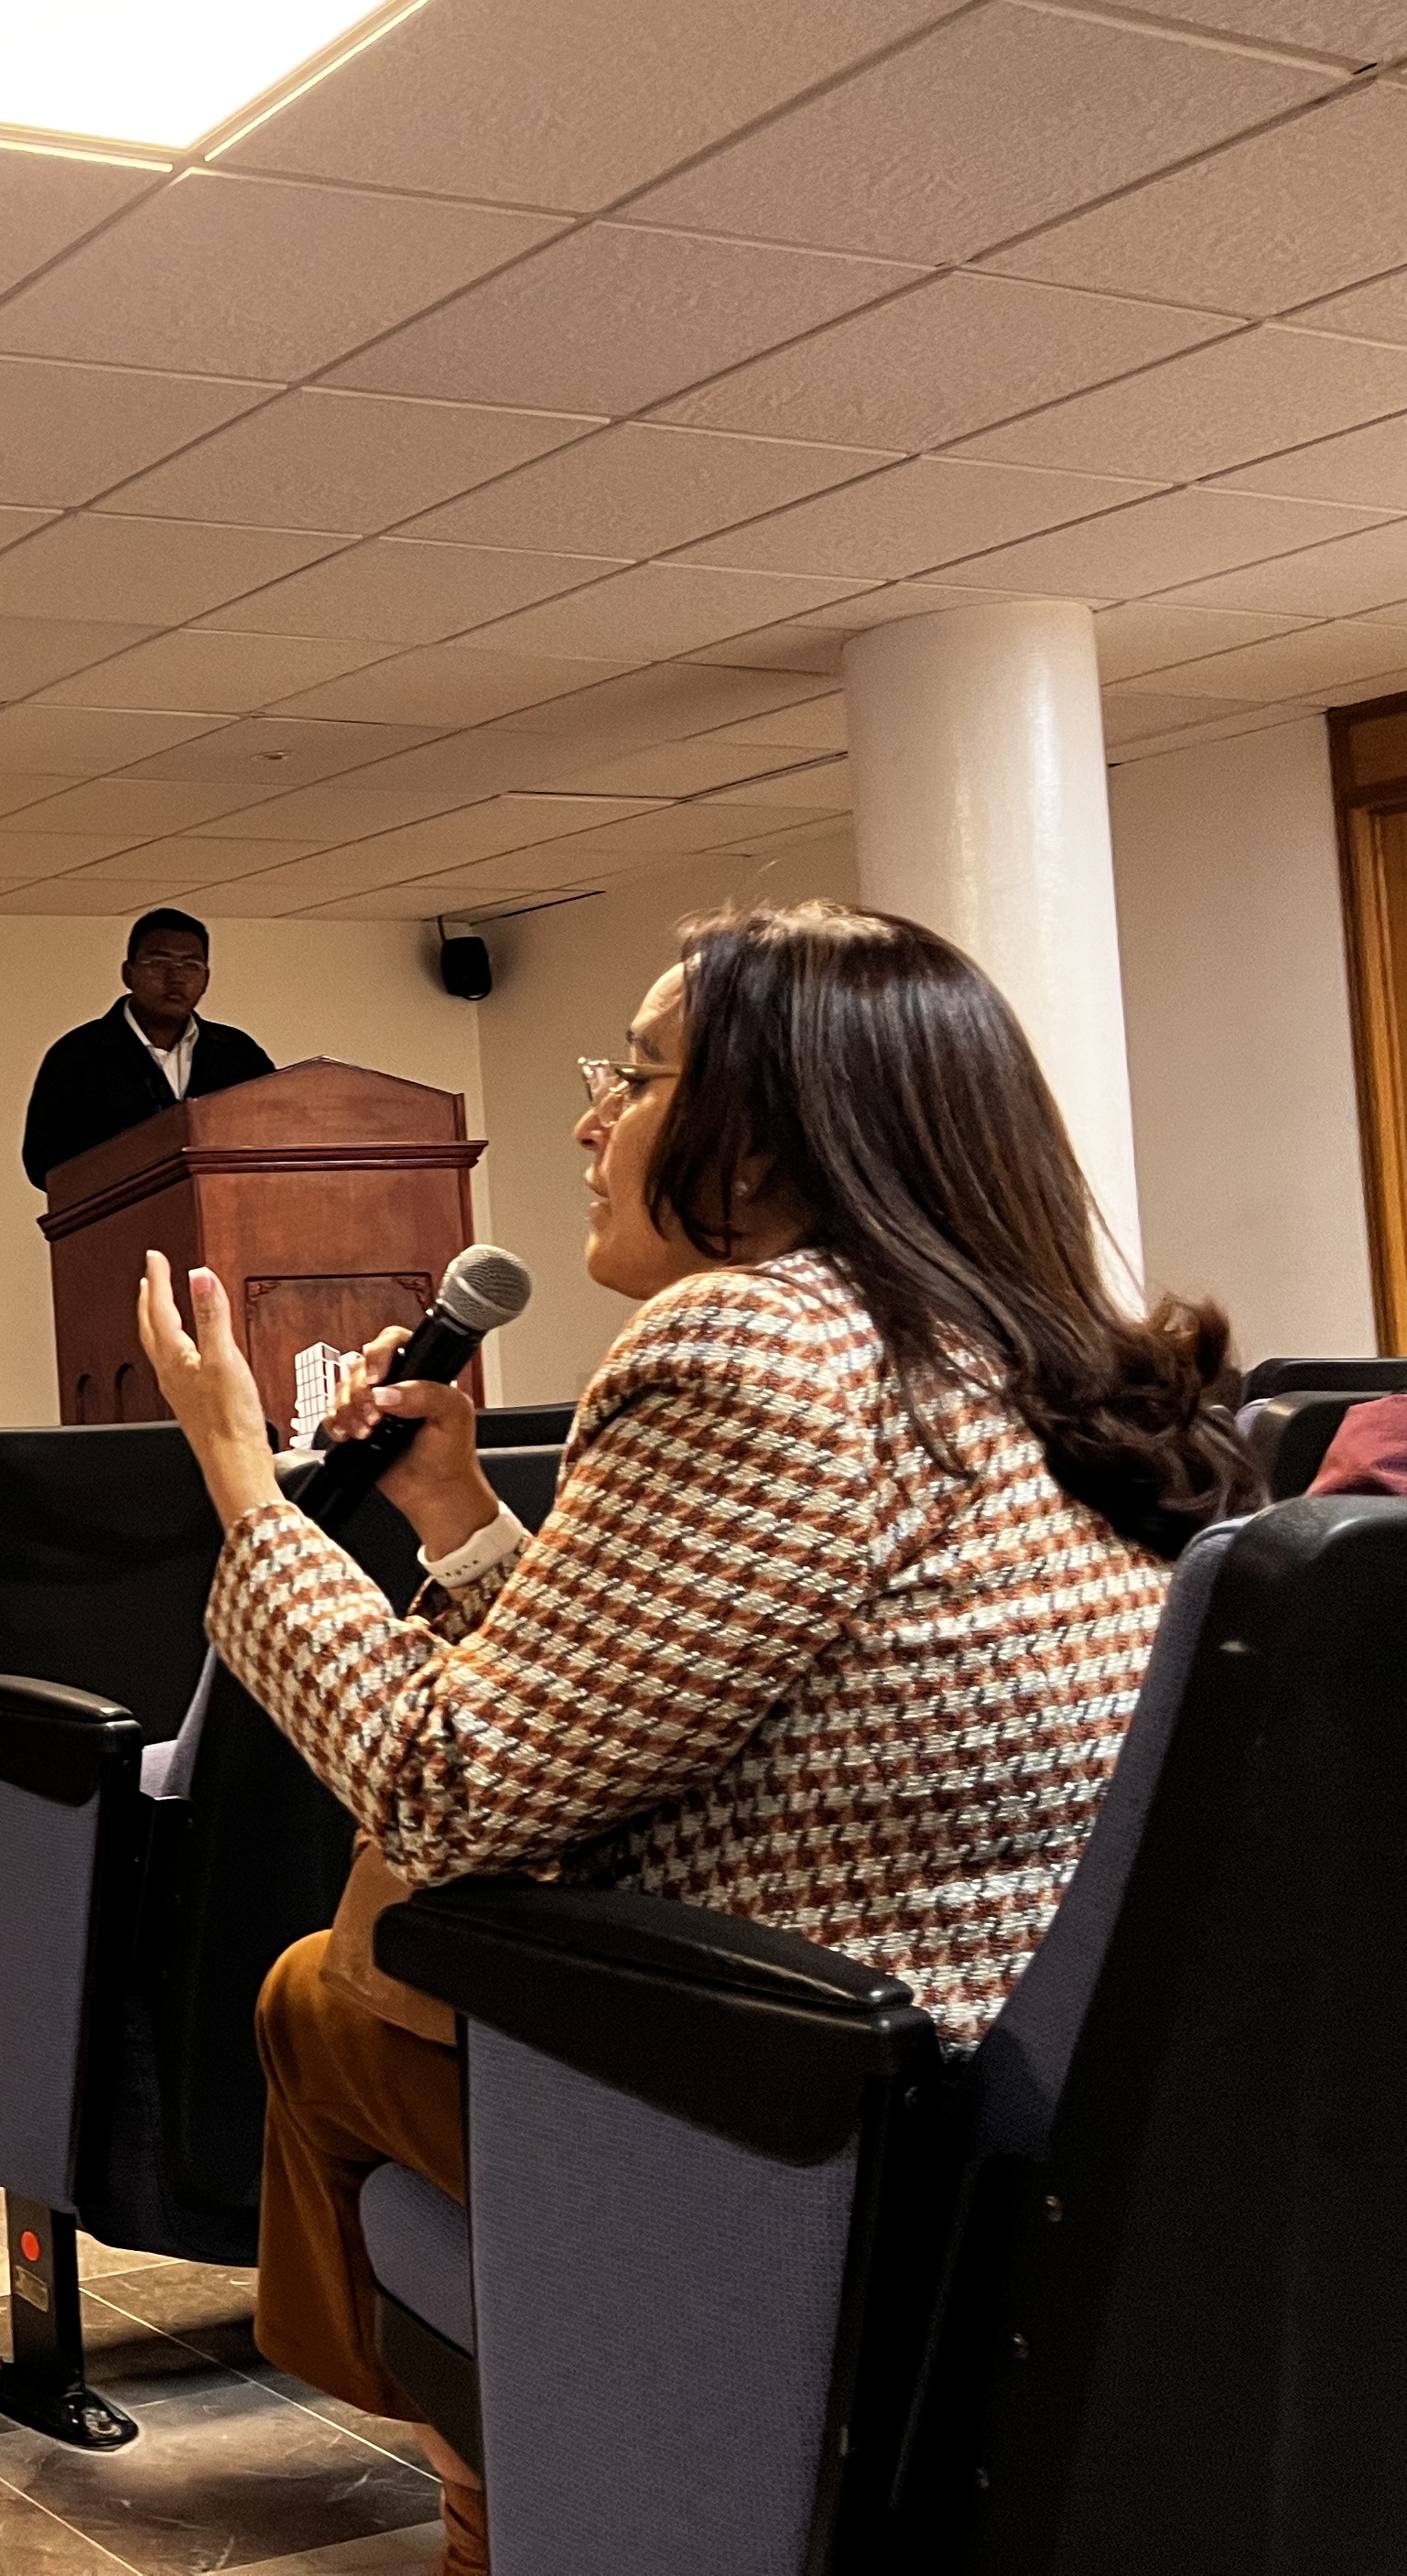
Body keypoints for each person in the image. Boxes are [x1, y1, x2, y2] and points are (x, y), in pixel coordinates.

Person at [129, 900, 1253, 2575]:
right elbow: (683, 1682)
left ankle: (504, 2490)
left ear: (773, 1137)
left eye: (634, 1074)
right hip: (1046, 2100)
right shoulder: (1017, 1342)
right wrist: (454, 1517)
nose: (587, 1121)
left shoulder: (745, 1341)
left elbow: (451, 1786)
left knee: (319, 1992)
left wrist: (241, 1479)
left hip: (801, 2107)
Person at [20, 905, 279, 1189]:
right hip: (120, 1211)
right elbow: (44, 1164)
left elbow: (274, 1134)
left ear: (206, 979)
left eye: (191, 965)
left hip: (225, 1206)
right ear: (128, 973)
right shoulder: (78, 1054)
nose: (176, 977)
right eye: (159, 962)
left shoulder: (238, 1053)